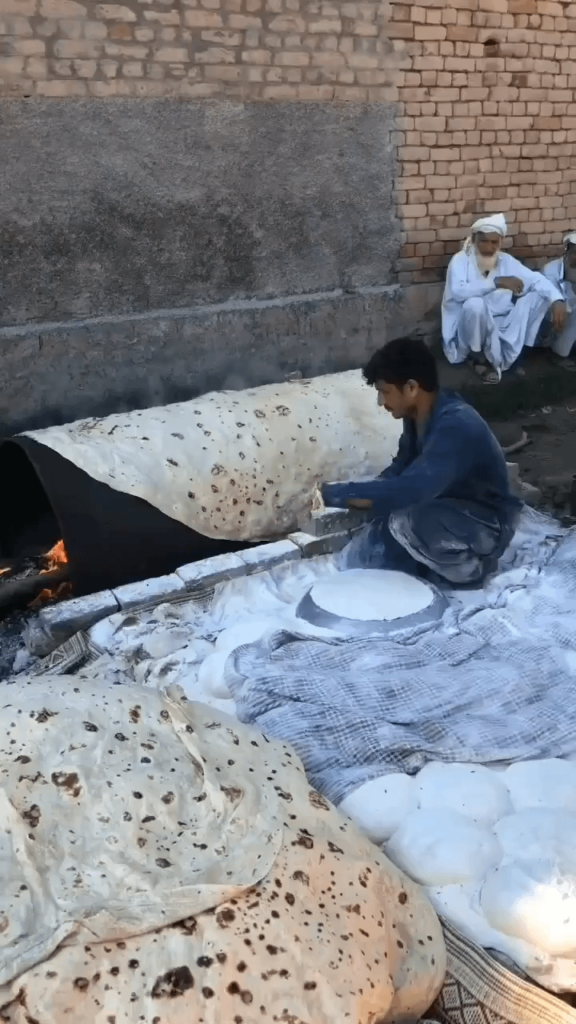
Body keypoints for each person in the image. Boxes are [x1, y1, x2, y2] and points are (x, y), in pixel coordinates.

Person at [322, 337, 523, 587]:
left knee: (405, 521)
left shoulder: (456, 424)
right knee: (359, 559)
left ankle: (473, 571)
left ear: (411, 388)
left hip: (488, 521)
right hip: (446, 510)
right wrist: (366, 495)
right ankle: (431, 561)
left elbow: (412, 489)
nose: (381, 403)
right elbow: (400, 468)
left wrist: (334, 494)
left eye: (385, 392)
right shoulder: (416, 416)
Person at [442, 213, 565, 384]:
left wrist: (557, 300)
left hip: (500, 321)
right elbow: (458, 292)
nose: (490, 247)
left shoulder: (505, 260)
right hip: (467, 326)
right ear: (475, 239)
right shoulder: (460, 261)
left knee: (539, 295)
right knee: (475, 304)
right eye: (485, 241)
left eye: (495, 242)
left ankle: (522, 350)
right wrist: (496, 282)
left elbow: (535, 279)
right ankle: (477, 357)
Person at [539, 232, 576, 370]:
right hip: (548, 321)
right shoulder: (551, 271)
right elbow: (551, 302)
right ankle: (559, 355)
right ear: (567, 252)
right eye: (575, 253)